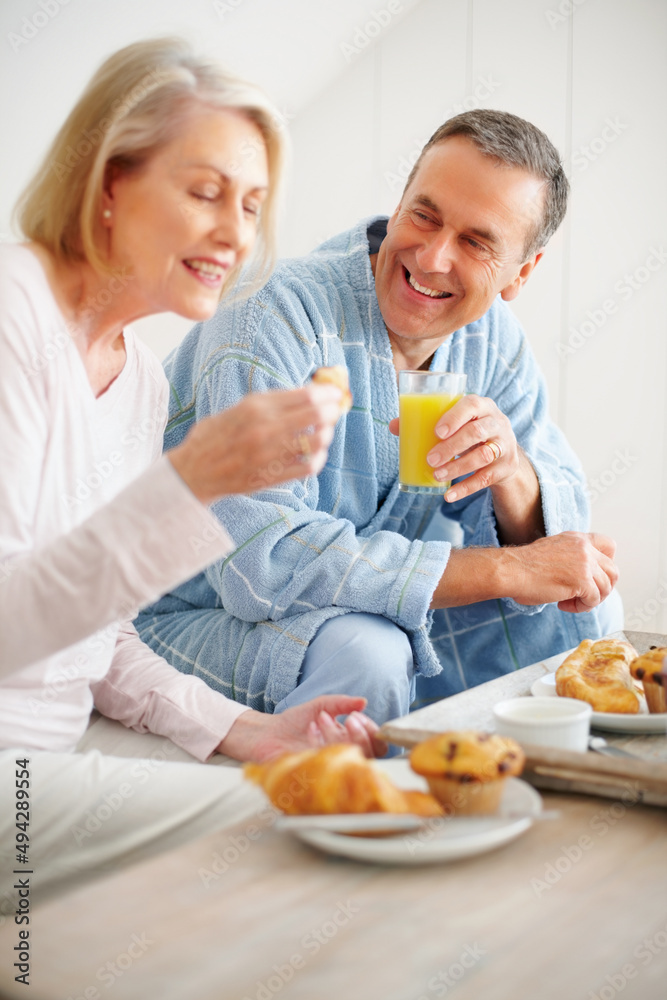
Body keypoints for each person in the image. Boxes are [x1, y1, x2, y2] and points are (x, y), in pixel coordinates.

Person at [0, 37, 385, 909]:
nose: (235, 235)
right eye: (205, 192)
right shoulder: (12, 315)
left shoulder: (138, 377)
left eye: (250, 205)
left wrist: (252, 731)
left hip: (45, 763)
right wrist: (189, 482)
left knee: (326, 802)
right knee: (289, 831)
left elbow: (97, 642)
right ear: (107, 182)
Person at [136, 109, 620, 720]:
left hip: (351, 601)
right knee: (370, 654)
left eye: (476, 242)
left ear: (521, 272)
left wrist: (514, 473)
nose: (433, 256)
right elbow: (264, 566)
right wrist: (505, 568)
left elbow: (561, 539)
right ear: (399, 204)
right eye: (425, 214)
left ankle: (505, 793)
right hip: (189, 613)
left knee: (589, 613)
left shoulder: (494, 344)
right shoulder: (273, 316)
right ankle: (350, 808)